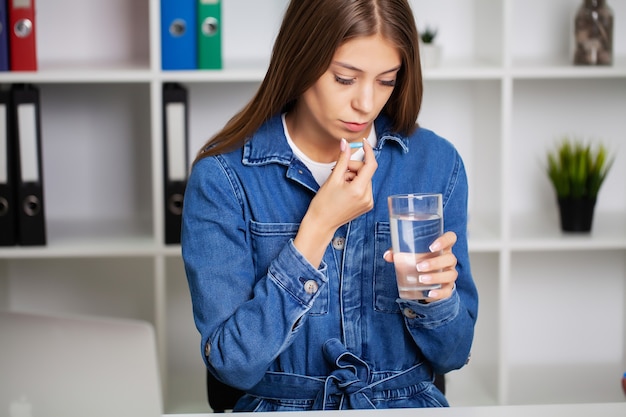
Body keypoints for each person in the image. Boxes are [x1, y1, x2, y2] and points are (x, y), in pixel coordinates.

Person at [182, 0, 478, 411]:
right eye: (344, 79)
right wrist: (318, 226)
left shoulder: (435, 165)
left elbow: (454, 354)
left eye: (387, 80)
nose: (367, 104)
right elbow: (233, 365)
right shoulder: (225, 179)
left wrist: (437, 300)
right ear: (300, 60)